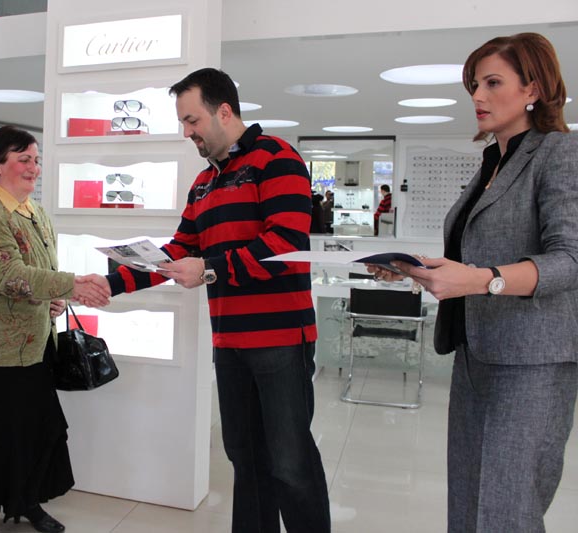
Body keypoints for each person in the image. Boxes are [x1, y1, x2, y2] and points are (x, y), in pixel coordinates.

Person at [97, 68, 330, 533]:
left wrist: (208, 269)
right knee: (245, 458)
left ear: (224, 111)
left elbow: (284, 244)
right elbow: (178, 250)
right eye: (183, 123)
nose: (188, 133)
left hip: (281, 341)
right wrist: (110, 283)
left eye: (192, 120)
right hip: (230, 342)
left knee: (290, 463)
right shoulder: (204, 182)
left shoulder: (278, 159)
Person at [370, 33, 578, 532]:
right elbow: (477, 255)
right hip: (475, 353)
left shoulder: (559, 152)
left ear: (533, 88)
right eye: (474, 86)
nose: (478, 97)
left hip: (532, 362)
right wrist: (417, 268)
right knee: (466, 501)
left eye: (492, 83)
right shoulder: (492, 163)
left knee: (507, 510)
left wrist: (484, 281)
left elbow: (570, 259)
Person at [0, 126, 110, 533]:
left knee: (36, 433)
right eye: (23, 159)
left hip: (31, 349)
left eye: (36, 159)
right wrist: (71, 285)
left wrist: (54, 298)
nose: (33, 167)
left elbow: (38, 273)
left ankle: (25, 501)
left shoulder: (36, 212)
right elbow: (8, 276)